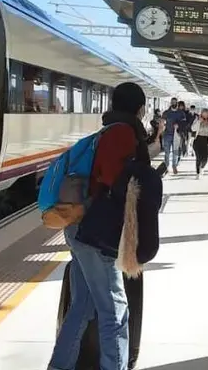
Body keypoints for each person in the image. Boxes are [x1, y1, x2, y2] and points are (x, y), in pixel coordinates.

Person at [49, 82, 163, 370]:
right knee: (114, 310)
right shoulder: (123, 133)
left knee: (83, 306)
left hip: (82, 228)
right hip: (96, 233)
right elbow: (115, 178)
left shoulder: (111, 129)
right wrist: (145, 178)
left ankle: (59, 366)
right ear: (140, 108)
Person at [161, 98, 186, 175]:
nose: (174, 103)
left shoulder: (181, 113)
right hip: (167, 135)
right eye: (172, 102)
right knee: (167, 152)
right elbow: (162, 123)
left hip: (177, 135)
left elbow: (184, 123)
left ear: (177, 103)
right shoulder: (166, 112)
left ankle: (174, 166)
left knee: (175, 151)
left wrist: (179, 125)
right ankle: (166, 167)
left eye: (175, 102)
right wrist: (160, 132)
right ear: (171, 103)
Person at [191, 108, 208, 178]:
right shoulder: (197, 119)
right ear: (201, 114)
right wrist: (199, 121)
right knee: (198, 157)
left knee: (205, 158)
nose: (205, 115)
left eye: (206, 113)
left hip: (206, 141)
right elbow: (193, 128)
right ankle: (198, 173)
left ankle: (202, 167)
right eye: (203, 113)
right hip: (197, 140)